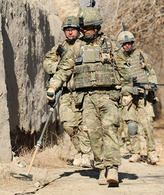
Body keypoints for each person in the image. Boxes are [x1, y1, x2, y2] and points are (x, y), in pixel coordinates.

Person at [46, 7, 132, 185]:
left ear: (97, 27)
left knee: (109, 129)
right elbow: (63, 71)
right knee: (94, 134)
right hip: (86, 98)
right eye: (83, 28)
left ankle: (113, 168)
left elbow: (124, 70)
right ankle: (101, 168)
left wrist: (127, 91)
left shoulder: (110, 45)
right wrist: (53, 86)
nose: (84, 31)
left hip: (108, 95)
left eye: (88, 28)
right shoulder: (77, 47)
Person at [43, 16, 91, 168]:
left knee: (85, 125)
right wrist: (60, 67)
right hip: (66, 92)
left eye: (73, 30)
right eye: (68, 30)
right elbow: (47, 63)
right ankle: (81, 150)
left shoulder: (86, 45)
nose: (70, 33)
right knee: (69, 124)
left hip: (84, 91)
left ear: (79, 30)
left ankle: (85, 154)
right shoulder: (59, 48)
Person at [116, 29, 159, 164]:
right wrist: (123, 92)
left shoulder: (141, 55)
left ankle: (152, 152)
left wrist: (152, 84)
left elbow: (150, 72)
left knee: (148, 125)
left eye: (129, 43)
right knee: (132, 126)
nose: (127, 46)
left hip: (143, 96)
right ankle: (135, 152)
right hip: (128, 98)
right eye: (124, 44)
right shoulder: (117, 58)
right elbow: (116, 78)